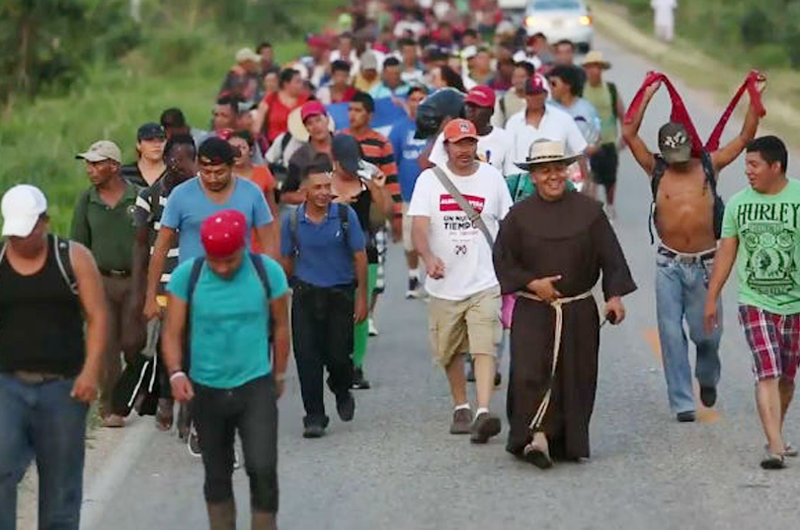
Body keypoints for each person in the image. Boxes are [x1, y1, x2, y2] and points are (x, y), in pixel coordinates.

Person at [623, 75, 765, 421]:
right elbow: (629, 134)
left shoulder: (708, 166)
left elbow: (745, 137)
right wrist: (646, 94)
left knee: (708, 336)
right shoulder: (656, 169)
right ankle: (683, 402)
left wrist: (753, 97)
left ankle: (707, 373)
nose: (679, 160)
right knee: (671, 334)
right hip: (669, 264)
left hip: (705, 264)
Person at [493, 139, 636, 468]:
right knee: (531, 372)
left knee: (574, 375)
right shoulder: (518, 216)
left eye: (558, 169)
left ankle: (564, 440)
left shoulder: (589, 212)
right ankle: (536, 437)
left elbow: (611, 257)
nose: (553, 176)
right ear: (532, 176)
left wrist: (613, 296)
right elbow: (502, 259)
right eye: (544, 171)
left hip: (578, 309)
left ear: (568, 171)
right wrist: (532, 283)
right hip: (532, 308)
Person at [162, 209, 289, 530]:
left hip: (255, 384)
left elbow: (282, 326)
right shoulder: (186, 277)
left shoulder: (267, 273)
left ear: (243, 249)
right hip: (206, 388)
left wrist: (279, 373)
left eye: (229, 261)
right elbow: (172, 332)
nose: (221, 267)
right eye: (215, 260)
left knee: (262, 468)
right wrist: (176, 372)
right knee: (216, 473)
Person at [0, 184, 106, 530]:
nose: (18, 240)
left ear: (44, 222)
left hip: (63, 388)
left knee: (61, 487)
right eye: (13, 233)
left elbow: (98, 316)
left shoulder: (72, 258)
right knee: (2, 471)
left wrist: (91, 373)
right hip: (7, 388)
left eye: (26, 231)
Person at [408, 119, 513, 443]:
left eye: (469, 143)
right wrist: (427, 258)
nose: (464, 150)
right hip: (444, 284)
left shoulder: (492, 179)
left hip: (484, 281)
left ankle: (483, 410)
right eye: (458, 144)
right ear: (446, 147)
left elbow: (508, 225)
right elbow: (419, 228)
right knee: (449, 350)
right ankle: (461, 405)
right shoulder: (429, 181)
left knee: (485, 346)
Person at [704, 136, 800, 469]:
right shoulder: (738, 204)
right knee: (768, 373)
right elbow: (726, 252)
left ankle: (776, 430)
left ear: (776, 167)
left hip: (795, 304)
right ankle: (774, 445)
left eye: (754, 164)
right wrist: (712, 297)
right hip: (754, 301)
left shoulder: (799, 198)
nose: (747, 171)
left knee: (787, 377)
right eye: (746, 164)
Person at [280, 158, 368, 438]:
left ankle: (341, 388)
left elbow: (359, 255)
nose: (323, 193)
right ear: (304, 190)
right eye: (317, 187)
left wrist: (361, 296)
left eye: (327, 186)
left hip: (340, 294)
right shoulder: (292, 220)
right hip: (306, 296)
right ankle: (314, 415)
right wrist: (288, 289)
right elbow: (286, 259)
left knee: (339, 356)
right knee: (307, 358)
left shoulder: (344, 216)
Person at [145, 137, 277, 322]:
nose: (212, 178)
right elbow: (161, 247)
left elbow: (269, 245)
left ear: (231, 167)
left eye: (219, 172)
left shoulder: (252, 193)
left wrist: (270, 289)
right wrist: (151, 296)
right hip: (193, 292)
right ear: (198, 166)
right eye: (206, 172)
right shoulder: (181, 195)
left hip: (240, 290)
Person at [129, 134, 197, 435]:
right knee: (168, 346)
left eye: (191, 158)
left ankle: (188, 412)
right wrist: (144, 291)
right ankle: (167, 396)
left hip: (197, 280)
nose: (188, 165)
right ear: (169, 160)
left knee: (195, 348)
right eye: (182, 159)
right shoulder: (149, 195)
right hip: (166, 283)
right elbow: (142, 246)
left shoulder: (202, 194)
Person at [72, 140, 142, 428]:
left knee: (133, 342)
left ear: (114, 166)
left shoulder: (137, 198)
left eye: (96, 163)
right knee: (106, 345)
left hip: (135, 279)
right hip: (100, 280)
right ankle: (111, 404)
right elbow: (78, 245)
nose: (90, 169)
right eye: (88, 163)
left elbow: (149, 243)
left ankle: (139, 386)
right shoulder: (87, 201)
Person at [331, 134, 392, 389]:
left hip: (364, 252)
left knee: (360, 312)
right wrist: (337, 204)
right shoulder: (324, 183)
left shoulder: (366, 180)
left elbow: (385, 212)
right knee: (334, 312)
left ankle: (356, 365)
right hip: (331, 256)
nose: (349, 169)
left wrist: (377, 187)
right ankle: (335, 361)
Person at [344, 92, 401, 337]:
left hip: (375, 217)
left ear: (370, 114)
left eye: (358, 110)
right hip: (347, 214)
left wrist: (396, 217)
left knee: (376, 274)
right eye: (350, 110)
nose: (352, 115)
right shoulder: (341, 140)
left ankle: (370, 314)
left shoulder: (380, 142)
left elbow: (391, 179)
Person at [389, 85, 429, 298]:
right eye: (414, 99)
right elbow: (391, 162)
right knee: (409, 242)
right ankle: (413, 276)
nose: (418, 102)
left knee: (432, 240)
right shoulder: (399, 128)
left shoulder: (435, 128)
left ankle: (431, 280)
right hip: (408, 196)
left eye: (422, 98)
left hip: (432, 196)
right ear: (408, 102)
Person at [506, 75, 589, 177]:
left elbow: (579, 151)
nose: (535, 98)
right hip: (523, 182)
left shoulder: (563, 118)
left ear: (545, 95)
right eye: (531, 94)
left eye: (539, 93)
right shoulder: (513, 123)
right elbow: (509, 159)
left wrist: (586, 180)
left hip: (558, 179)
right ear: (525, 96)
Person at [430, 86, 513, 175]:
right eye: (468, 105)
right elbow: (435, 172)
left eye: (477, 106)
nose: (470, 110)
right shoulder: (449, 134)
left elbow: (510, 176)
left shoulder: (505, 138)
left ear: (491, 111)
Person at [581, 51, 626, 217]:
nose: (595, 71)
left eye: (598, 67)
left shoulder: (610, 89)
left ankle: (610, 206)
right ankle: (591, 210)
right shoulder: (581, 90)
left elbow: (622, 113)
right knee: (590, 178)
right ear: (586, 69)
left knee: (610, 178)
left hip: (608, 141)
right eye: (592, 67)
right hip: (588, 143)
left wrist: (625, 137)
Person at [282, 101, 335, 205]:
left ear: (327, 120)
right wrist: (310, 196)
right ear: (306, 128)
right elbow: (285, 195)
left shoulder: (345, 145)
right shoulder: (299, 158)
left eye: (318, 120)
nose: (315, 126)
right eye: (309, 123)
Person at [255, 68, 310, 145]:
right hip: (274, 143)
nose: (301, 85)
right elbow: (257, 125)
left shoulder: (307, 100)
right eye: (298, 82)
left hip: (300, 143)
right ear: (286, 84)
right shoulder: (271, 99)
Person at [121, 123, 167, 188]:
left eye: (161, 140)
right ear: (139, 145)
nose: (156, 145)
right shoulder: (124, 173)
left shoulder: (175, 173)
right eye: (150, 140)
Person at [492, 62, 534, 128]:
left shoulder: (539, 100)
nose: (517, 80)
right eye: (515, 76)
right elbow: (496, 125)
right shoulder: (502, 102)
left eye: (522, 77)